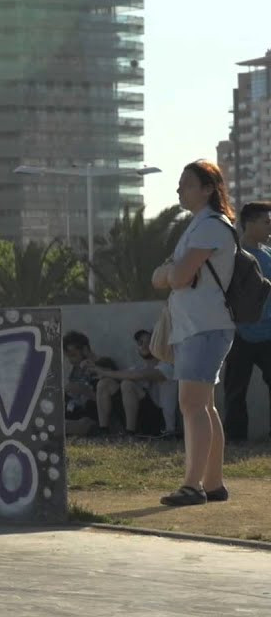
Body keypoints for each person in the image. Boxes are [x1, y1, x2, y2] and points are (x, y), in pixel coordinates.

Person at [154, 160, 236, 506]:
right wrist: (170, 273)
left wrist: (168, 272)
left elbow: (179, 277)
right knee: (203, 406)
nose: (179, 189)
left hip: (204, 326)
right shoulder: (200, 226)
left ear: (207, 189)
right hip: (199, 325)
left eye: (186, 184)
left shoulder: (210, 227)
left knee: (191, 404)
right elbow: (174, 276)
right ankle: (212, 483)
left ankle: (192, 485)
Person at [221, 200, 271, 443]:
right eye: (266, 222)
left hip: (268, 333)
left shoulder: (269, 255)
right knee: (235, 390)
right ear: (249, 223)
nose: (270, 226)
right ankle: (236, 439)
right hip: (239, 334)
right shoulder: (234, 256)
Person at [90, 329, 180, 439]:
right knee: (105, 383)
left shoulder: (167, 367)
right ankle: (103, 431)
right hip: (140, 418)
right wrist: (96, 369)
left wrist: (104, 372)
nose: (145, 345)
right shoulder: (138, 368)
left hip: (160, 423)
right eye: (140, 343)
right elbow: (122, 375)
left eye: (149, 342)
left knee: (127, 384)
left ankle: (130, 434)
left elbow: (140, 375)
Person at [61, 331, 120, 437]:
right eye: (68, 357)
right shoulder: (76, 368)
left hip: (93, 416)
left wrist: (83, 390)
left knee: (82, 424)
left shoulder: (104, 364)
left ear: (85, 350)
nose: (70, 360)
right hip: (75, 411)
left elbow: (111, 401)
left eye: (73, 355)